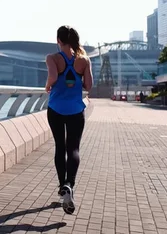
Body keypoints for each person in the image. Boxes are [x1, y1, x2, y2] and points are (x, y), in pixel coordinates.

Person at [44, 25, 93, 215]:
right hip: (75, 110)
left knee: (60, 147)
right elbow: (88, 85)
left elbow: (53, 77)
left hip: (55, 109)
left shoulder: (52, 58)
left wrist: (47, 86)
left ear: (58, 40)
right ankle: (69, 184)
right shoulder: (84, 60)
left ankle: (62, 187)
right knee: (73, 148)